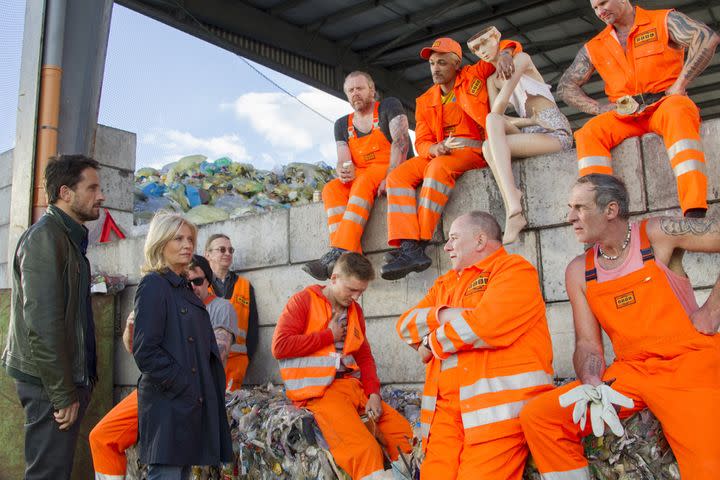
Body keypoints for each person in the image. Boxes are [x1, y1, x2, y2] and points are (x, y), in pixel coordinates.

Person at [520, 174, 720, 479]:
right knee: (540, 416)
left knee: (708, 468)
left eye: (579, 207)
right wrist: (590, 380)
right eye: (569, 207)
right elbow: (587, 343)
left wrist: (712, 311)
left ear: (610, 210)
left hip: (688, 365)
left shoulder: (655, 234)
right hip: (631, 372)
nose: (570, 217)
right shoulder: (579, 270)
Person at [396, 211, 553, 479]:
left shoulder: (514, 269)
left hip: (495, 416)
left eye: (453, 238)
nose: (446, 247)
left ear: (480, 241)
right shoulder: (444, 284)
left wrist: (431, 342)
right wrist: (445, 314)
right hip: (444, 418)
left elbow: (485, 326)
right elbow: (405, 325)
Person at [558, 0, 719, 218]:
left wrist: (680, 84)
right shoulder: (595, 45)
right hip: (624, 115)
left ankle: (694, 210)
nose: (600, 11)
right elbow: (566, 86)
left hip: (664, 103)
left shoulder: (662, 20)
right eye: (595, 8)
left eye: (603, 2)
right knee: (589, 133)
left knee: (679, 110)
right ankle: (597, 216)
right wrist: (599, 108)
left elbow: (707, 38)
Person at [381, 37, 521, 280]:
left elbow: (502, 45)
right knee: (397, 176)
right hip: (440, 151)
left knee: (438, 168)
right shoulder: (425, 100)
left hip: (473, 150)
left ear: (457, 64)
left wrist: (507, 54)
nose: (435, 68)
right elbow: (422, 140)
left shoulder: (473, 75)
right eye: (432, 63)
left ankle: (421, 241)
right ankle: (408, 246)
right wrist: (434, 148)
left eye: (442, 63)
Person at [1, 154, 105, 479]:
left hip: (60, 382)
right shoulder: (46, 238)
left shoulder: (69, 241)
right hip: (50, 384)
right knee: (48, 474)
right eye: (92, 188)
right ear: (65, 192)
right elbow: (42, 324)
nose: (101, 196)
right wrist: (62, 393)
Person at [89, 254, 238, 479]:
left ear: (209, 282)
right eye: (187, 281)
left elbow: (218, 351)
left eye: (198, 281)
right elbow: (137, 349)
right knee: (103, 436)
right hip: (162, 387)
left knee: (171, 465)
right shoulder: (162, 294)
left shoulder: (218, 307)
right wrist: (132, 330)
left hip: (191, 390)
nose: (193, 287)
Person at [272, 252, 413, 480]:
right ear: (334, 278)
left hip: (352, 388)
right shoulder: (303, 301)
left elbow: (365, 357)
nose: (356, 297)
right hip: (319, 393)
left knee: (406, 437)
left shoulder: (355, 310)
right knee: (364, 451)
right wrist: (328, 335)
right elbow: (280, 346)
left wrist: (374, 394)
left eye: (361, 292)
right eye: (351, 290)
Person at [132, 214, 232, 479]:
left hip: (186, 405)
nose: (187, 244)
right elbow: (146, 351)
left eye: (190, 239)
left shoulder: (183, 289)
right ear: (161, 242)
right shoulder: (154, 284)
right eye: (178, 238)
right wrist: (185, 385)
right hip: (169, 406)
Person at [467, 26, 573, 244]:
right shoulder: (491, 81)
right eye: (476, 49)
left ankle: (513, 205)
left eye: (485, 42)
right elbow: (496, 117)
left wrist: (507, 53)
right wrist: (529, 121)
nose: (482, 51)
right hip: (530, 128)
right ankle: (513, 207)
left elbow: (501, 104)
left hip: (553, 129)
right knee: (488, 143)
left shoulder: (522, 59)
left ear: (497, 37)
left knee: (492, 124)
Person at [303, 71, 412, 280]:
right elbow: (343, 158)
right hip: (363, 172)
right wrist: (342, 170)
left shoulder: (388, 106)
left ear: (372, 90)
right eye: (351, 90)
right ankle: (351, 254)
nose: (356, 93)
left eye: (360, 88)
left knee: (363, 180)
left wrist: (390, 176)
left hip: (393, 166)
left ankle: (340, 250)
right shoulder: (342, 124)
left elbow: (401, 143)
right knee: (331, 188)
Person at [204, 233, 259, 390]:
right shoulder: (199, 285)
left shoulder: (245, 286)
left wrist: (246, 359)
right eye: (222, 249)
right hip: (206, 362)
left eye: (230, 250)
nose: (227, 253)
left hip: (236, 364)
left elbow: (253, 328)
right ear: (208, 255)